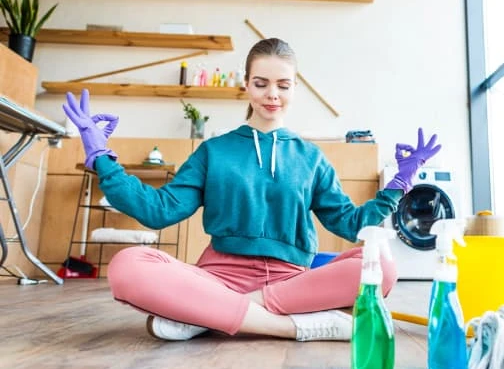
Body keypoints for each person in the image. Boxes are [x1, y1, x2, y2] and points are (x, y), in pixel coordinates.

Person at [62, 38, 441, 342]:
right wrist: (102, 159)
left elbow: (352, 225)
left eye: (282, 85)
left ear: (295, 88)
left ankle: (206, 315)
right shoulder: (214, 150)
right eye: (261, 84)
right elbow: (160, 210)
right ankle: (296, 327)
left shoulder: (311, 158)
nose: (271, 95)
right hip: (217, 276)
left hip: (291, 280)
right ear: (246, 85)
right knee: (128, 266)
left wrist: (398, 184)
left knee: (383, 266)